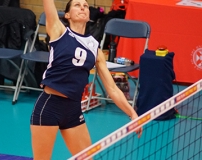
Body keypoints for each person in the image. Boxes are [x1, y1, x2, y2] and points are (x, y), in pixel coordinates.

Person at [30, 0, 142, 159]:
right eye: (77, 5)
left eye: (85, 5)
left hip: (73, 110)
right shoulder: (58, 30)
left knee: (87, 158)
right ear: (67, 15)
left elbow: (111, 88)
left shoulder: (94, 47)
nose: (82, 7)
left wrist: (132, 113)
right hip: (50, 106)